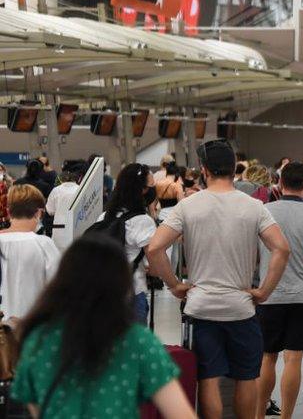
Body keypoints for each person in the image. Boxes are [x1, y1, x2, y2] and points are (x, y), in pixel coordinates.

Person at [147, 139, 291, 419]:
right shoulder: (254, 206)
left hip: (200, 308)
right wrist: (264, 291)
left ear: (204, 169)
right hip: (241, 308)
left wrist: (174, 285)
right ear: (232, 168)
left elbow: (154, 248)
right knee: (246, 378)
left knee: (208, 379)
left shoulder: (188, 206)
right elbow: (282, 248)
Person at [11, 236, 195, 419]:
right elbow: (181, 414)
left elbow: (36, 407)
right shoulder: (137, 342)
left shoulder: (38, 339)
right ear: (122, 283)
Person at [255, 163, 303, 419]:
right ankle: (286, 416)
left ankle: (258, 415)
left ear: (279, 183)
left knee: (267, 358)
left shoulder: (263, 212)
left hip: (268, 295)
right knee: (293, 360)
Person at [99, 163, 160, 324]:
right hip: (133, 292)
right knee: (133, 346)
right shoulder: (142, 221)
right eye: (150, 186)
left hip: (103, 292)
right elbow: (154, 262)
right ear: (141, 190)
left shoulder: (105, 217)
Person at [0, 185, 59, 323]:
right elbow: (58, 288)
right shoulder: (44, 245)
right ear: (39, 213)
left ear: (8, 212)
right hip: (30, 328)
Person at [45, 161, 86, 251]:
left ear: (61, 179)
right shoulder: (81, 190)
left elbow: (50, 210)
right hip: (77, 229)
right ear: (77, 179)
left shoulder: (56, 190)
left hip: (59, 230)